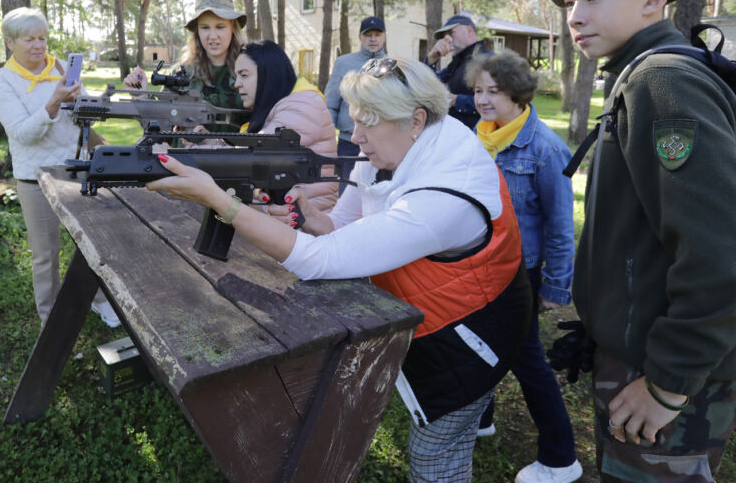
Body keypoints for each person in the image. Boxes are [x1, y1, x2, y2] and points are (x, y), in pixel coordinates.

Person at [146, 56, 532, 482]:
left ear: (416, 119)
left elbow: (318, 261)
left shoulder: (445, 197)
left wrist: (221, 202)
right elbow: (340, 230)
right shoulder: (399, 143)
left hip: (472, 332)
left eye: (367, 123)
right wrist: (316, 220)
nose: (355, 138)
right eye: (353, 121)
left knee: (434, 454)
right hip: (442, 314)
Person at [546, 0, 736, 482]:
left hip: (666, 367)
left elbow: (722, 246)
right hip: (646, 349)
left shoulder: (661, 80)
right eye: (571, 2)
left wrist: (669, 383)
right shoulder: (639, 73)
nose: (576, 16)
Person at [466, 50, 582, 483]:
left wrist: (555, 286)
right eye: (478, 90)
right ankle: (483, 419)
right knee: (481, 341)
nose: (483, 99)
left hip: (522, 271)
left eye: (493, 91)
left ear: (517, 92)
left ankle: (560, 457)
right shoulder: (479, 136)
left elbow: (559, 225)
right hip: (482, 262)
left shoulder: (546, 149)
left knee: (526, 357)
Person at [0, 7, 120, 328]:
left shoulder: (60, 67)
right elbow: (22, 134)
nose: (39, 45)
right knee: (45, 254)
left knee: (90, 244)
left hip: (77, 169)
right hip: (35, 178)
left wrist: (80, 102)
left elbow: (84, 117)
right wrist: (53, 103)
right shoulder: (2, 82)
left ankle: (101, 301)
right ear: (10, 43)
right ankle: (51, 317)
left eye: (43, 38)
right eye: (29, 39)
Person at [234, 40, 338, 212]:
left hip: (309, 227)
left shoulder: (302, 106)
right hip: (293, 220)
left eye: (244, 75)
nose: (237, 83)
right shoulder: (283, 105)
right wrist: (207, 143)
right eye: (237, 76)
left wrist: (205, 150)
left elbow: (252, 156)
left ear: (269, 75)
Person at [124, 0, 248, 132]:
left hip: (235, 154)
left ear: (233, 28)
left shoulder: (249, 72)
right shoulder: (181, 74)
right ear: (197, 31)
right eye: (205, 27)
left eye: (220, 27)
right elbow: (160, 129)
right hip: (182, 154)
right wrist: (142, 96)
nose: (213, 36)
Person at [325, 16, 387, 193]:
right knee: (347, 191)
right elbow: (331, 103)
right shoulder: (343, 63)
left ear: (384, 37)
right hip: (349, 143)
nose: (373, 39)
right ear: (360, 38)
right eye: (368, 35)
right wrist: (329, 138)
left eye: (377, 34)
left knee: (379, 191)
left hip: (382, 142)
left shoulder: (392, 64)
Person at [424, 14, 491, 129]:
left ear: (469, 31)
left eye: (451, 33)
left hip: (477, 139)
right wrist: (431, 60)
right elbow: (428, 84)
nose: (447, 39)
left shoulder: (489, 61)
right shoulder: (457, 62)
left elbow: (497, 103)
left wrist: (456, 100)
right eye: (444, 36)